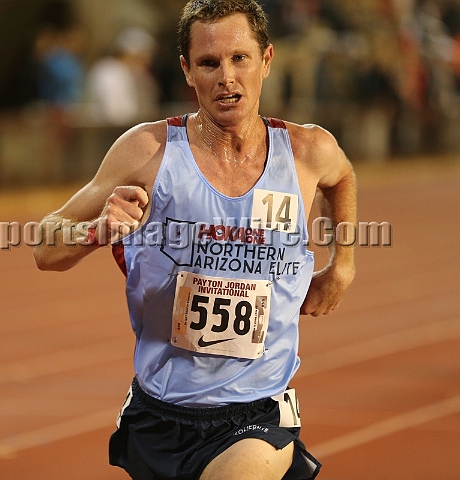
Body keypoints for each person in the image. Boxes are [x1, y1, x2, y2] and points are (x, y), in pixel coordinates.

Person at [33, 1, 356, 478]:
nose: (227, 76)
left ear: (266, 61)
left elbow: (342, 177)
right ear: (187, 70)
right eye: (209, 62)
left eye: (239, 58)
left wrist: (342, 265)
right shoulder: (149, 151)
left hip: (257, 412)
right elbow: (46, 247)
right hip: (160, 412)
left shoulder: (308, 151)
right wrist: (97, 230)